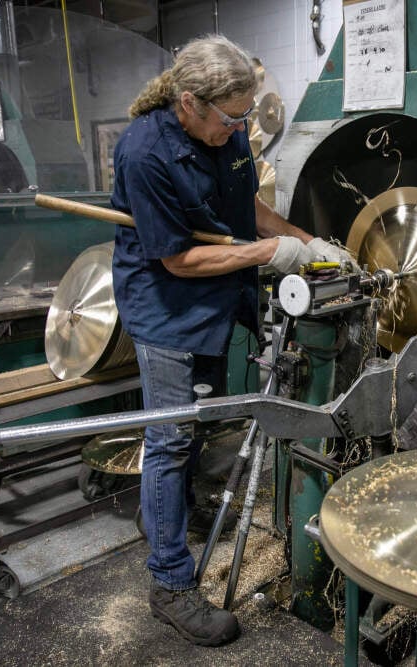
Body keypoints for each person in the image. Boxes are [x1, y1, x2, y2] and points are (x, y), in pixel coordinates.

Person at [110, 35, 351, 647]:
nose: (240, 127)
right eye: (231, 118)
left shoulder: (229, 128)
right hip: (167, 307)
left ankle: (162, 512)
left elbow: (249, 211)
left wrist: (308, 247)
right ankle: (169, 583)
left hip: (218, 297)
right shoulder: (145, 155)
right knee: (169, 437)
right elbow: (178, 261)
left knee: (199, 419)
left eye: (245, 116)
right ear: (189, 103)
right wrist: (271, 254)